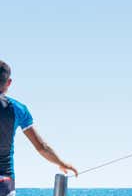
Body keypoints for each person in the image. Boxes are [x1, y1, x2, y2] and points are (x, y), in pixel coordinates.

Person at [0, 61, 77, 196]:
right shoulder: (18, 109)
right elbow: (42, 147)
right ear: (9, 82)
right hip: (4, 182)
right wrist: (61, 162)